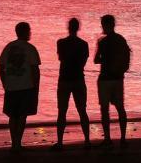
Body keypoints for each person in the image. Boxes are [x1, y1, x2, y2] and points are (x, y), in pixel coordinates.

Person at [0, 21, 41, 150]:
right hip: (26, 86)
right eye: (29, 31)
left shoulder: (9, 47)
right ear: (25, 32)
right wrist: (36, 86)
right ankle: (17, 142)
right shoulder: (30, 48)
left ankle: (15, 143)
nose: (30, 33)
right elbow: (35, 70)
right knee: (22, 115)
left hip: (11, 86)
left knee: (13, 115)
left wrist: (4, 83)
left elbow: (1, 67)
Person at [53, 17, 91, 149]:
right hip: (78, 79)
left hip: (64, 79)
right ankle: (87, 141)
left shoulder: (61, 43)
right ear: (78, 28)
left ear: (68, 27)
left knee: (62, 111)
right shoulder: (84, 44)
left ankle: (60, 142)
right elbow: (83, 62)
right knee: (82, 111)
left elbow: (61, 58)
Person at [94, 14, 131, 147]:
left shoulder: (102, 42)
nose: (102, 27)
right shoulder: (121, 39)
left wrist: (104, 56)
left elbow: (96, 60)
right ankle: (122, 138)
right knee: (120, 108)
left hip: (105, 79)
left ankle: (108, 139)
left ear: (106, 25)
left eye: (103, 24)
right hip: (118, 78)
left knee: (105, 109)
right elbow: (127, 58)